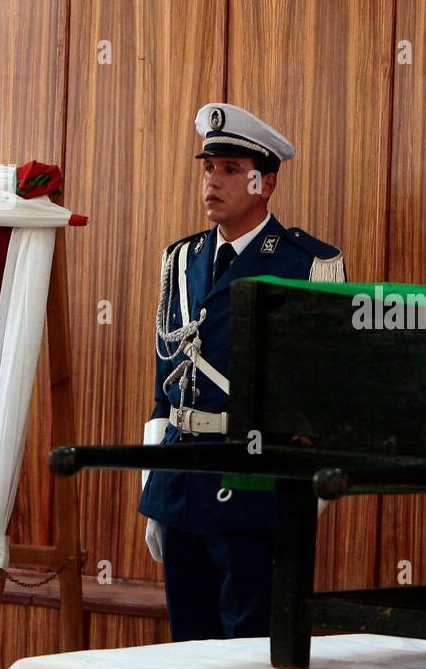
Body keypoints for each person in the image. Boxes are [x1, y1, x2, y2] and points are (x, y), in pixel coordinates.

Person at [139, 103, 344, 641]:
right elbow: (166, 378)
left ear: (265, 182)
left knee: (248, 649)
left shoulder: (306, 264)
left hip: (254, 484)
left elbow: (320, 394)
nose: (213, 180)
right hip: (181, 479)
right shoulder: (180, 259)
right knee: (189, 650)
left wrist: (308, 496)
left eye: (230, 170)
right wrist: (153, 482)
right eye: (208, 167)